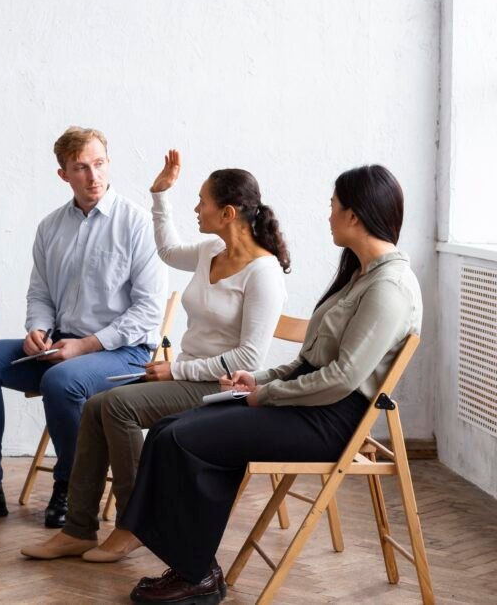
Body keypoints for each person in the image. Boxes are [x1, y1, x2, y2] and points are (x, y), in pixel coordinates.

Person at [120, 165, 421, 604]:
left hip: (328, 420)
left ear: (355, 215)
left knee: (184, 440)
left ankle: (196, 573)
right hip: (308, 401)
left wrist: (266, 395)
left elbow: (341, 380)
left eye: (333, 206)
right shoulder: (361, 274)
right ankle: (191, 564)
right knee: (168, 428)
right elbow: (308, 362)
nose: (329, 215)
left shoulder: (388, 287)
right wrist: (258, 378)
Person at [22, 149, 289, 562]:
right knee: (96, 405)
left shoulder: (263, 273)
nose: (196, 209)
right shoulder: (210, 251)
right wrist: (160, 195)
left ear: (228, 213)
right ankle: (78, 529)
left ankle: (136, 525)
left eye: (202, 201)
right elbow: (167, 250)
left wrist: (177, 370)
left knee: (117, 409)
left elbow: (248, 359)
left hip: (222, 387)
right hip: (187, 376)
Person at [0, 126, 167, 528]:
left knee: (61, 381)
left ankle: (72, 487)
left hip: (124, 354)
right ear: (63, 174)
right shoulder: (51, 227)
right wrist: (37, 330)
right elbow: (40, 293)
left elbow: (148, 312)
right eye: (81, 168)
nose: (93, 176)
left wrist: (85, 346)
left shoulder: (138, 224)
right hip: (61, 347)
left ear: (109, 163)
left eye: (99, 164)